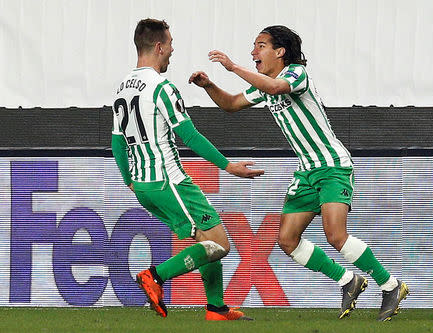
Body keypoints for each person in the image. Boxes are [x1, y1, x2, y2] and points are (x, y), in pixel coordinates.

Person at [189, 25, 409, 321]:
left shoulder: (295, 74)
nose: (254, 52)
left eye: (260, 46)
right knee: (287, 240)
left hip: (332, 166)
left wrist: (232, 67)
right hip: (307, 171)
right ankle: (348, 281)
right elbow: (230, 104)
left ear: (279, 52)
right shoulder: (263, 85)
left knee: (335, 235)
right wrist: (208, 85)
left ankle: (391, 286)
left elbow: (276, 88)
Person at [112, 18, 263, 320]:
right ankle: (155, 276)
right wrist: (228, 166)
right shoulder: (161, 87)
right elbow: (190, 136)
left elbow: (117, 142)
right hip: (170, 181)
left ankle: (216, 308)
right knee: (219, 244)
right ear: (158, 47)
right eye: (169, 46)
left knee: (205, 240)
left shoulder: (123, 88)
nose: (171, 52)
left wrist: (129, 179)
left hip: (144, 187)